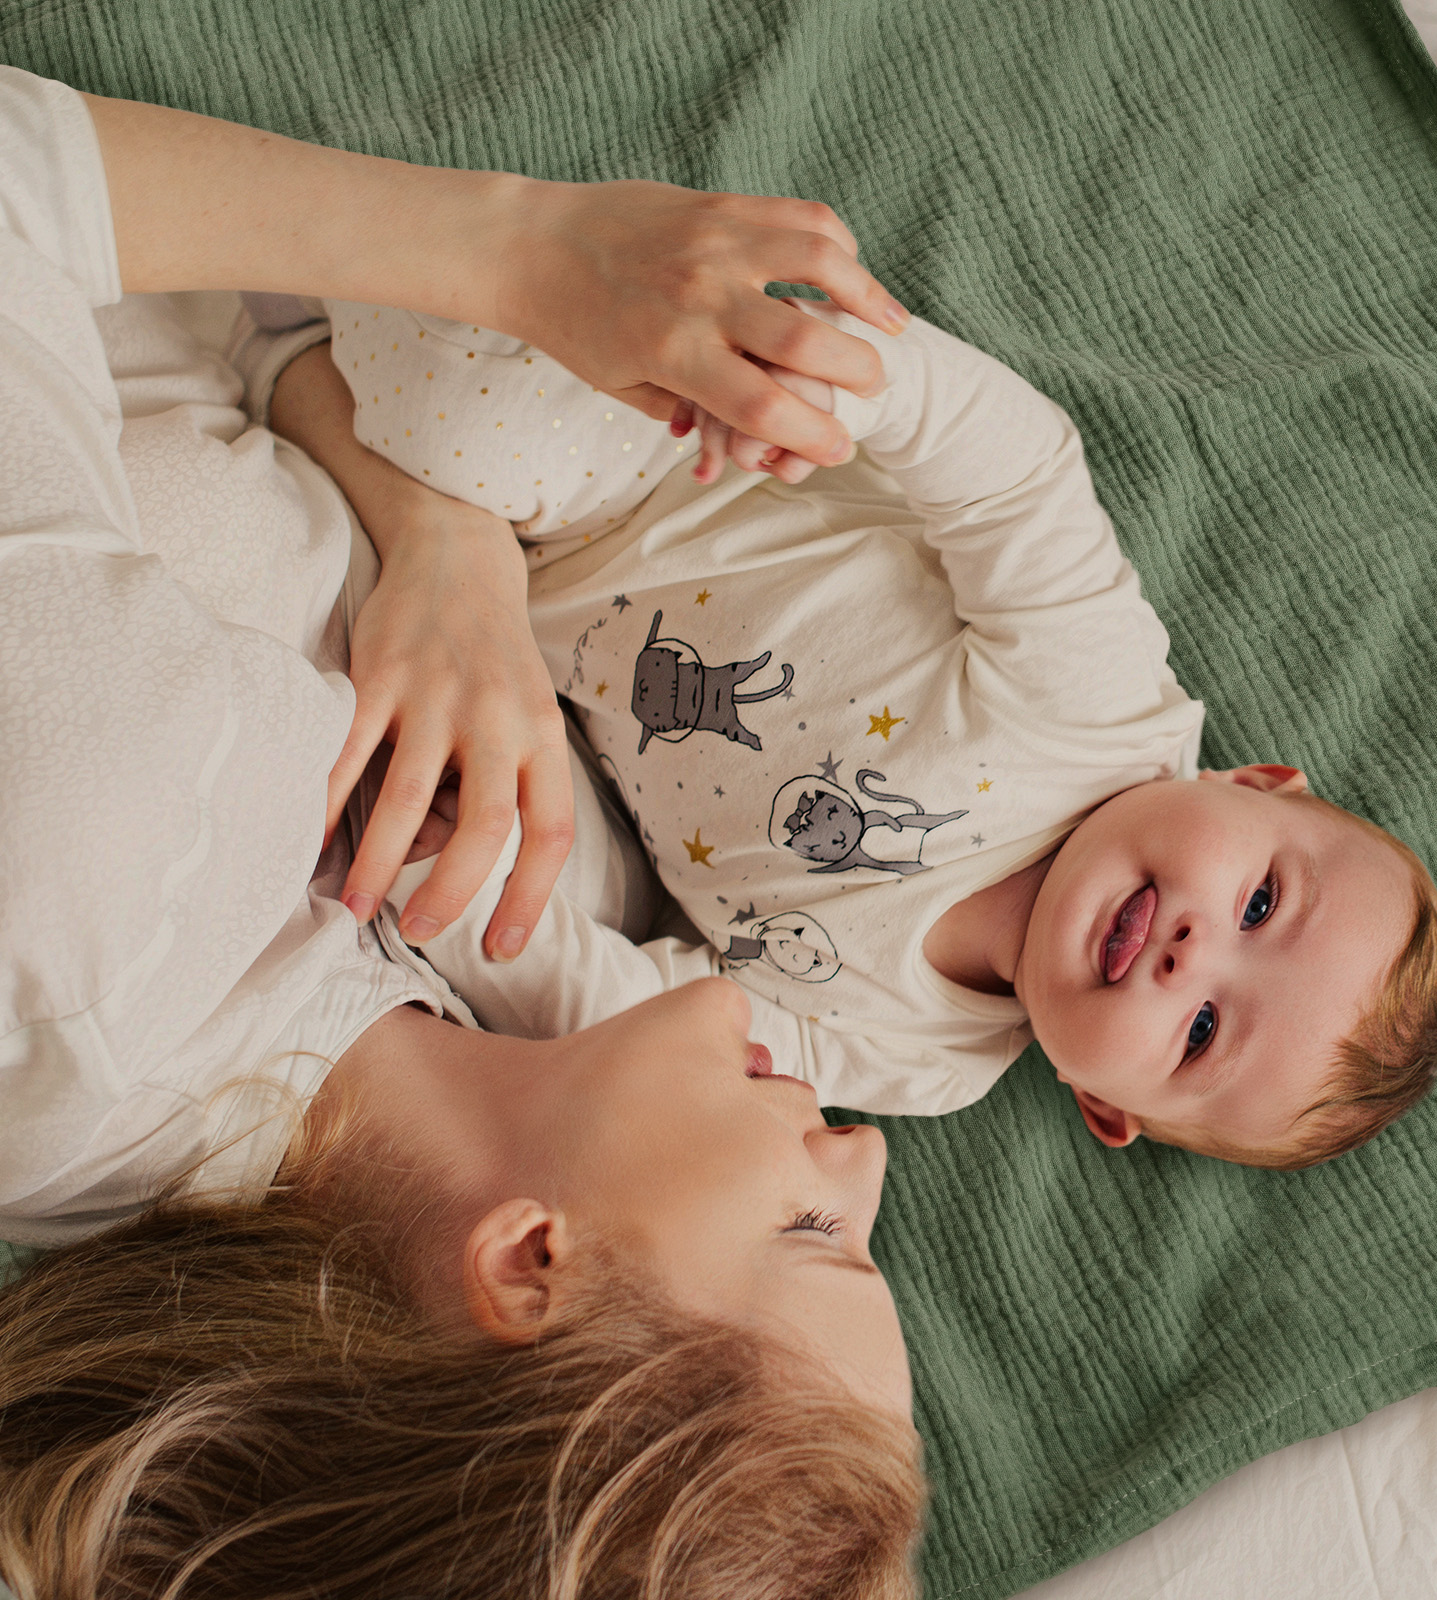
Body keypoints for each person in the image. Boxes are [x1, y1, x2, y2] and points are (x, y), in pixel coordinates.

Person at [0, 64, 924, 1596]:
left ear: (530, 1261)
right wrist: (447, 538)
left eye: (819, 1232)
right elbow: (245, 344)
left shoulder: (80, 910)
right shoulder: (558, 927)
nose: (869, 1154)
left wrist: (520, 251)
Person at [287, 290, 1437, 1172]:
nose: (1190, 953)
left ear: (1106, 1103)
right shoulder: (1098, 710)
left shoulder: (922, 1060)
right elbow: (1016, 483)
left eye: (1198, 1031)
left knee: (364, 744)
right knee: (464, 423)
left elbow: (661, 1021)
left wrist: (468, 890)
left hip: (517, 645)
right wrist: (846, 385)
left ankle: (295, 398)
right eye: (1259, 903)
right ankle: (298, 324)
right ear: (1253, 782)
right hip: (663, 459)